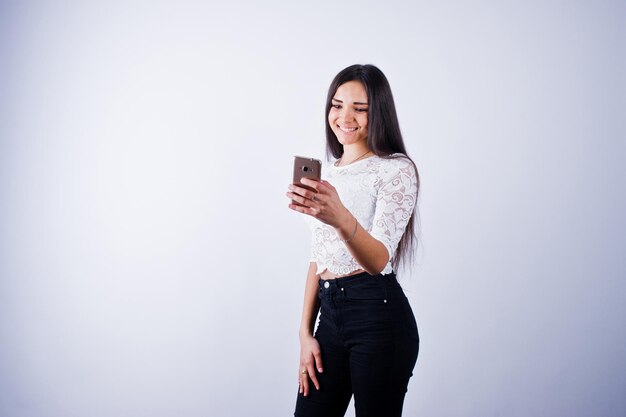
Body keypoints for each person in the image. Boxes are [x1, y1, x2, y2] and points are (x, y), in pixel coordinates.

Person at [286, 64, 420, 417]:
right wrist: (304, 333)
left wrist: (340, 217)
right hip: (328, 318)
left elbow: (378, 260)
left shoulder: (395, 169)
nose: (345, 116)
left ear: (379, 113)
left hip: (378, 315)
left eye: (360, 108)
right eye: (337, 104)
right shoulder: (326, 174)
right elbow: (319, 256)